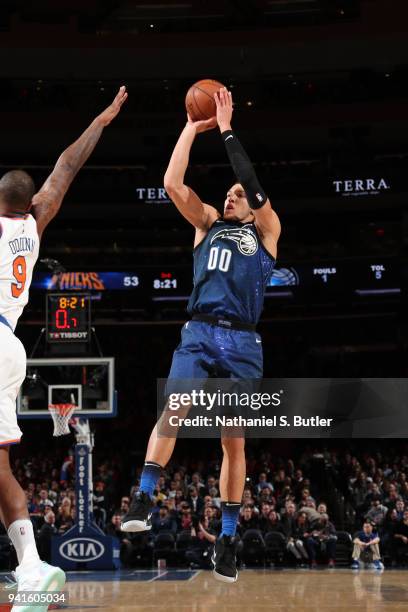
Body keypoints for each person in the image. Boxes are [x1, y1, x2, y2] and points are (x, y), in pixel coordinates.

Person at [121, 87, 281, 584]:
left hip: (243, 341)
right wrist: (194, 127)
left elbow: (252, 182)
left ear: (252, 207)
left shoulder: (268, 230)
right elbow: (172, 182)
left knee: (234, 440)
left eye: (237, 195)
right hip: (200, 330)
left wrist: (229, 128)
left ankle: (227, 541)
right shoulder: (208, 223)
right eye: (228, 193)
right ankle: (144, 496)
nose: (231, 195)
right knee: (174, 409)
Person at [0, 86, 127, 610]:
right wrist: (101, 119)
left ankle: (30, 566)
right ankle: (31, 566)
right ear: (28, 204)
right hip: (9, 346)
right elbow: (67, 165)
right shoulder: (35, 222)